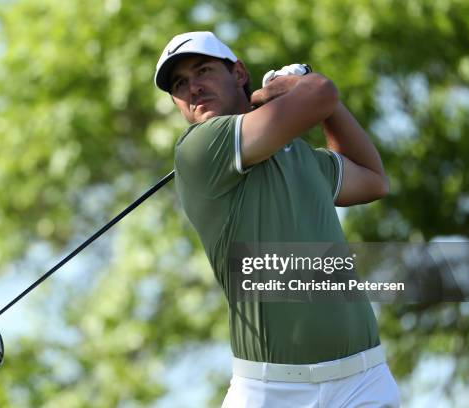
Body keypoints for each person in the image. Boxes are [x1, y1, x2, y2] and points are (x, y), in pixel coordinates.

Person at [154, 31, 401, 407]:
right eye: (180, 84)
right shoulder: (198, 149)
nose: (193, 88)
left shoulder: (300, 157)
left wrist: (323, 105)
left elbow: (373, 179)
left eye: (202, 71)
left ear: (238, 72)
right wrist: (294, 88)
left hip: (363, 381)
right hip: (272, 392)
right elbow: (319, 93)